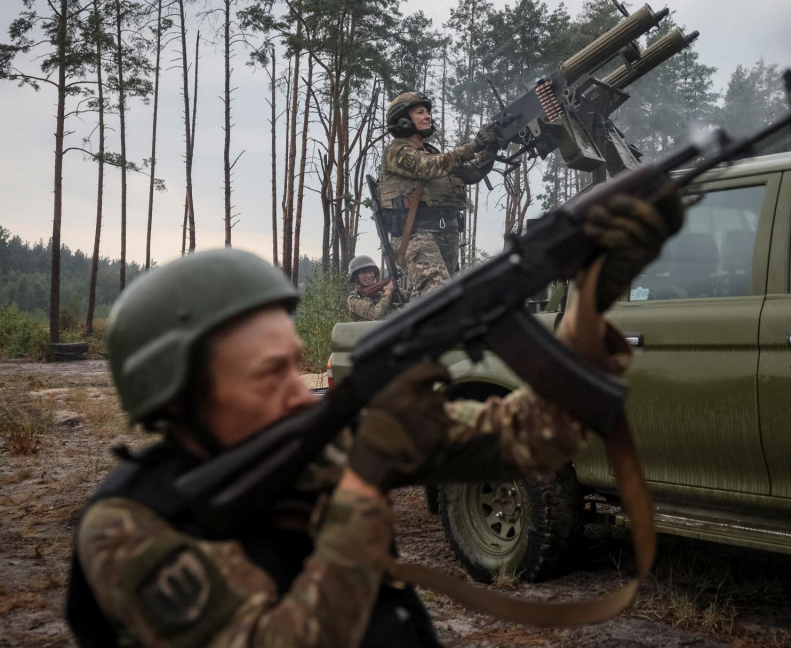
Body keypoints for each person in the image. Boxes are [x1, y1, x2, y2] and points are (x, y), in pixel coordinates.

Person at [66, 188, 683, 648]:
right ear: (177, 395)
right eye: (267, 374)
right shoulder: (131, 525)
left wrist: (593, 293)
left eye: (293, 365)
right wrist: (364, 485)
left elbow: (537, 434)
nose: (296, 390)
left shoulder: (326, 446)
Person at [379, 91, 499, 299]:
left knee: (439, 299)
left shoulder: (433, 153)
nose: (428, 116)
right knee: (438, 296)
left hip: (446, 234)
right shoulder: (395, 151)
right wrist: (473, 146)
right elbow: (427, 167)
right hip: (416, 235)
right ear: (404, 120)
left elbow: (472, 173)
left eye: (428, 112)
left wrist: (491, 148)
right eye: (420, 112)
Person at [347, 255, 395, 321]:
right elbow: (374, 314)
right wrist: (388, 292)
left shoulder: (381, 291)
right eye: (364, 272)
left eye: (371, 272)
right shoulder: (353, 298)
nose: (369, 275)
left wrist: (394, 288)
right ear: (356, 276)